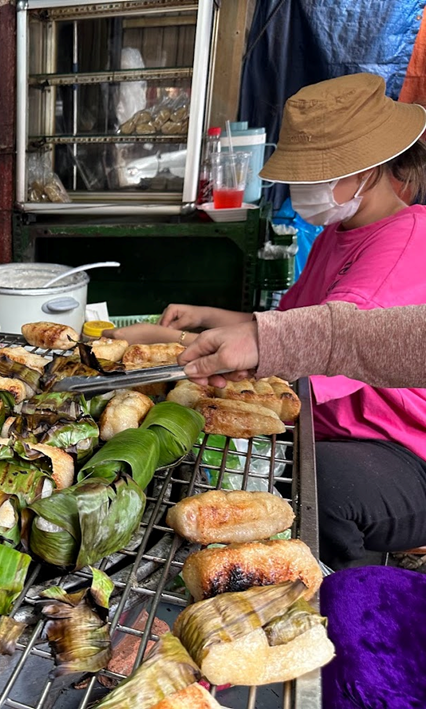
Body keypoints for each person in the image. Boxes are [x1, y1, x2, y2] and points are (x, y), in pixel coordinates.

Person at [113, 73, 426, 569]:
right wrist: (205, 317)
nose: (301, 188)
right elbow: (287, 330)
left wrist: (167, 339)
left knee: (319, 489)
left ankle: (350, 594)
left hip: (399, 448)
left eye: (314, 174)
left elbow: (310, 363)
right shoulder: (340, 231)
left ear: (367, 171)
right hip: (325, 427)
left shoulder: (400, 250)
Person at [178, 301, 426, 388]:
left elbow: (345, 345)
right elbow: (282, 316)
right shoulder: (330, 235)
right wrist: (206, 315)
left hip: (364, 426)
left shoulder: (392, 253)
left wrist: (268, 340)